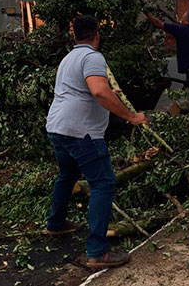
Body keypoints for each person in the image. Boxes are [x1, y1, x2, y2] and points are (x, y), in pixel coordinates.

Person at [45, 15, 147, 269]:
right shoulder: (93, 57)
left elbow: (83, 89)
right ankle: (98, 251)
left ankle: (55, 225)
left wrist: (111, 93)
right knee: (103, 183)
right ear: (97, 34)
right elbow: (98, 91)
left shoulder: (69, 58)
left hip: (58, 128)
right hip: (82, 132)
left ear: (74, 35)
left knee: (67, 175)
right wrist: (131, 116)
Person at [145, 10, 189, 120]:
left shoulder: (181, 30)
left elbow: (157, 23)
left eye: (183, 17)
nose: (181, 19)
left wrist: (147, 12)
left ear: (187, 21)